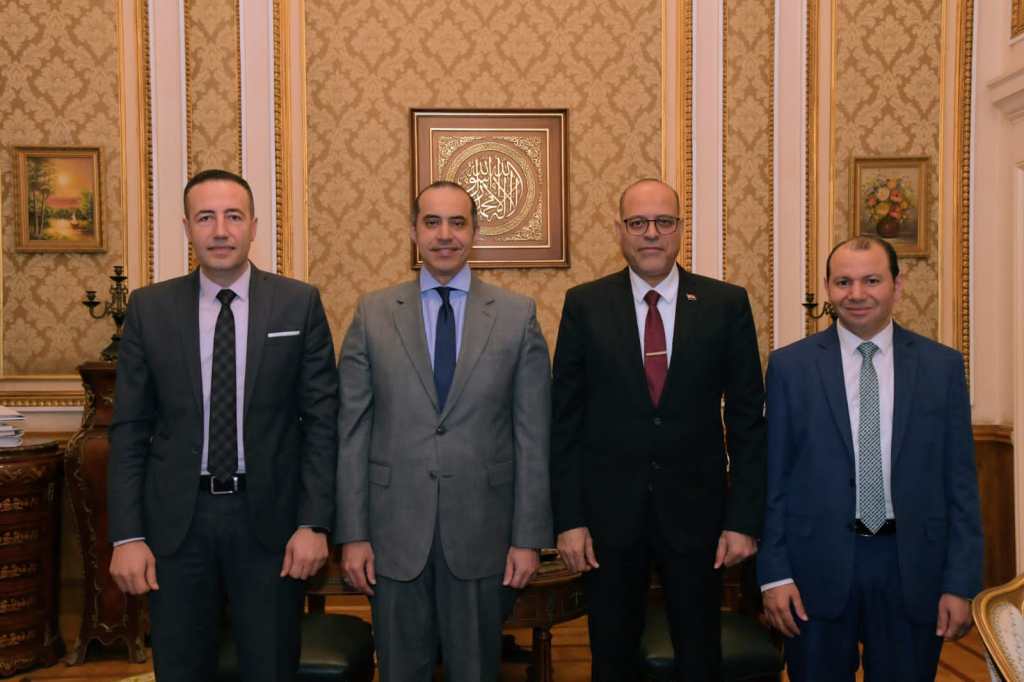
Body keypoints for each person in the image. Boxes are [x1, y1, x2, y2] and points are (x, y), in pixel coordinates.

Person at [107, 169, 339, 681]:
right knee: (182, 668)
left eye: (233, 216)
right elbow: (129, 429)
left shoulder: (298, 303)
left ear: (254, 226)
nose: (220, 230)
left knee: (270, 666)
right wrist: (127, 536)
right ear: (186, 227)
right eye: (205, 217)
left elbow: (322, 422)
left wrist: (314, 523)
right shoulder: (149, 309)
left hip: (271, 525)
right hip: (177, 526)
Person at [550, 178, 767, 681]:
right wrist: (569, 520)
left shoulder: (725, 304)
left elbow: (747, 422)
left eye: (663, 222)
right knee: (611, 657)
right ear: (620, 230)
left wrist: (743, 520)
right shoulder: (585, 305)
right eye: (638, 222)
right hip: (608, 520)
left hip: (698, 518)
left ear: (680, 229)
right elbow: (565, 422)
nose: (651, 233)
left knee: (699, 655)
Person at [335, 181, 552, 682]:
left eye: (457, 223)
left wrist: (528, 538)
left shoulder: (517, 316)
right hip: (392, 535)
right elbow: (352, 431)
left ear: (475, 232)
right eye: (432, 222)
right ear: (414, 232)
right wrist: (353, 533)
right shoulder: (372, 313)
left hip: (483, 534)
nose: (445, 235)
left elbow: (533, 435)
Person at [757, 236, 983, 681]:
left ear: (897, 285)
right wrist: (774, 575)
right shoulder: (790, 367)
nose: (856, 293)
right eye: (843, 282)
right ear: (828, 287)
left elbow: (960, 484)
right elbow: (773, 479)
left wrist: (961, 582)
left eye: (871, 281)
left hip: (911, 567)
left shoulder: (941, 368)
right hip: (814, 567)